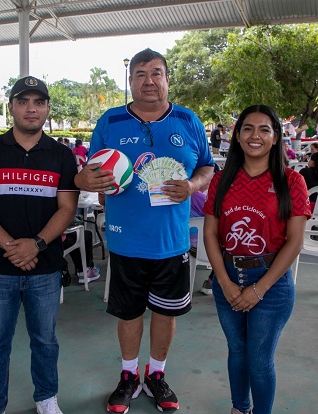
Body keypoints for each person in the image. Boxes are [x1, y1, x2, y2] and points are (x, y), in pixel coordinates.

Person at [74, 48, 214, 414]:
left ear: (168, 78)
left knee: (166, 314)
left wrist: (194, 186)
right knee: (129, 313)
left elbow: (207, 167)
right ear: (131, 80)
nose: (148, 80)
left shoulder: (188, 120)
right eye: (140, 73)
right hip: (125, 239)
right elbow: (90, 173)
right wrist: (90, 180)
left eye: (156, 72)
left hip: (171, 242)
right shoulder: (111, 121)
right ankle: (128, 375)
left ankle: (156, 374)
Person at [0, 76, 79, 414]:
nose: (32, 108)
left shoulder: (61, 155)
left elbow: (67, 208)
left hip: (44, 267)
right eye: (24, 101)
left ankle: (46, 398)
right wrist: (14, 246)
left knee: (45, 340)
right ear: (11, 106)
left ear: (47, 109)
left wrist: (38, 244)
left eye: (39, 102)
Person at [202, 104, 310, 414]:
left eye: (265, 129)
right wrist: (223, 281)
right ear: (236, 136)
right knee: (236, 351)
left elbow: (295, 242)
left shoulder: (292, 182)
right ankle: (240, 408)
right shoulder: (222, 180)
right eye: (248, 128)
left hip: (272, 284)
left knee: (259, 360)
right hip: (228, 278)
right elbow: (210, 234)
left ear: (276, 138)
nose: (255, 136)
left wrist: (259, 288)